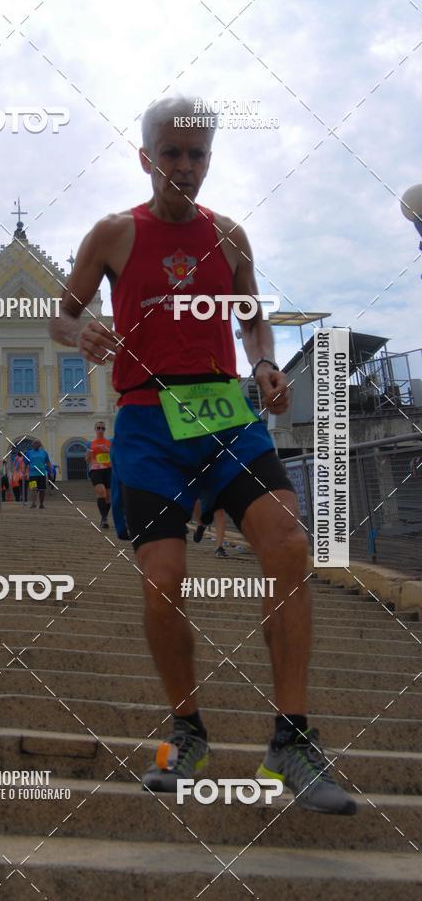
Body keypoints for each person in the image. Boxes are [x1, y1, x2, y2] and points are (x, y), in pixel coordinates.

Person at [49, 95, 356, 815]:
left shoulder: (230, 236)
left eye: (198, 154)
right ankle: (186, 732)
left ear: (210, 158)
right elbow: (63, 312)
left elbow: (253, 321)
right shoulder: (113, 234)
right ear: (146, 157)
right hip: (147, 418)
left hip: (222, 411)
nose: (185, 166)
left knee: (288, 543)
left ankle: (292, 738)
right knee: (163, 578)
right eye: (172, 153)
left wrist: (265, 364)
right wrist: (81, 331)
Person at [86, 421, 112, 528]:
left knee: (108, 498)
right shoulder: (90, 443)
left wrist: (109, 451)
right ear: (95, 429)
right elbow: (87, 460)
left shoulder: (110, 442)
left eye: (103, 428)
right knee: (101, 492)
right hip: (96, 470)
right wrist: (89, 455)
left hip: (109, 470)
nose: (100, 430)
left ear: (105, 430)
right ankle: (104, 519)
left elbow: (116, 455)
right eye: (98, 428)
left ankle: (103, 517)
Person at [24, 440, 51, 509]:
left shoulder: (44, 453)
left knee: (42, 490)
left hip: (42, 474)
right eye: (35, 443)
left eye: (38, 443)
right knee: (33, 489)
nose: (36, 444)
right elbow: (26, 463)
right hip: (32, 475)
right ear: (32, 445)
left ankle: (41, 504)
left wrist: (50, 471)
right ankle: (33, 503)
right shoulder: (28, 453)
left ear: (40, 445)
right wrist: (24, 473)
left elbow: (48, 462)